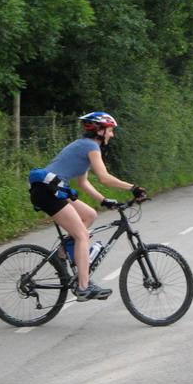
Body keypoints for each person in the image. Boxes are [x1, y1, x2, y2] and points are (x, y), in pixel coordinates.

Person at [29, 111, 146, 301]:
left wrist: (103, 200)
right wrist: (133, 188)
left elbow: (83, 182)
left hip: (51, 189)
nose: (112, 135)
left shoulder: (85, 145)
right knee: (82, 235)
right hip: (48, 191)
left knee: (90, 215)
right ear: (100, 130)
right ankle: (83, 287)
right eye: (110, 130)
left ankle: (63, 252)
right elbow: (104, 177)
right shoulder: (90, 146)